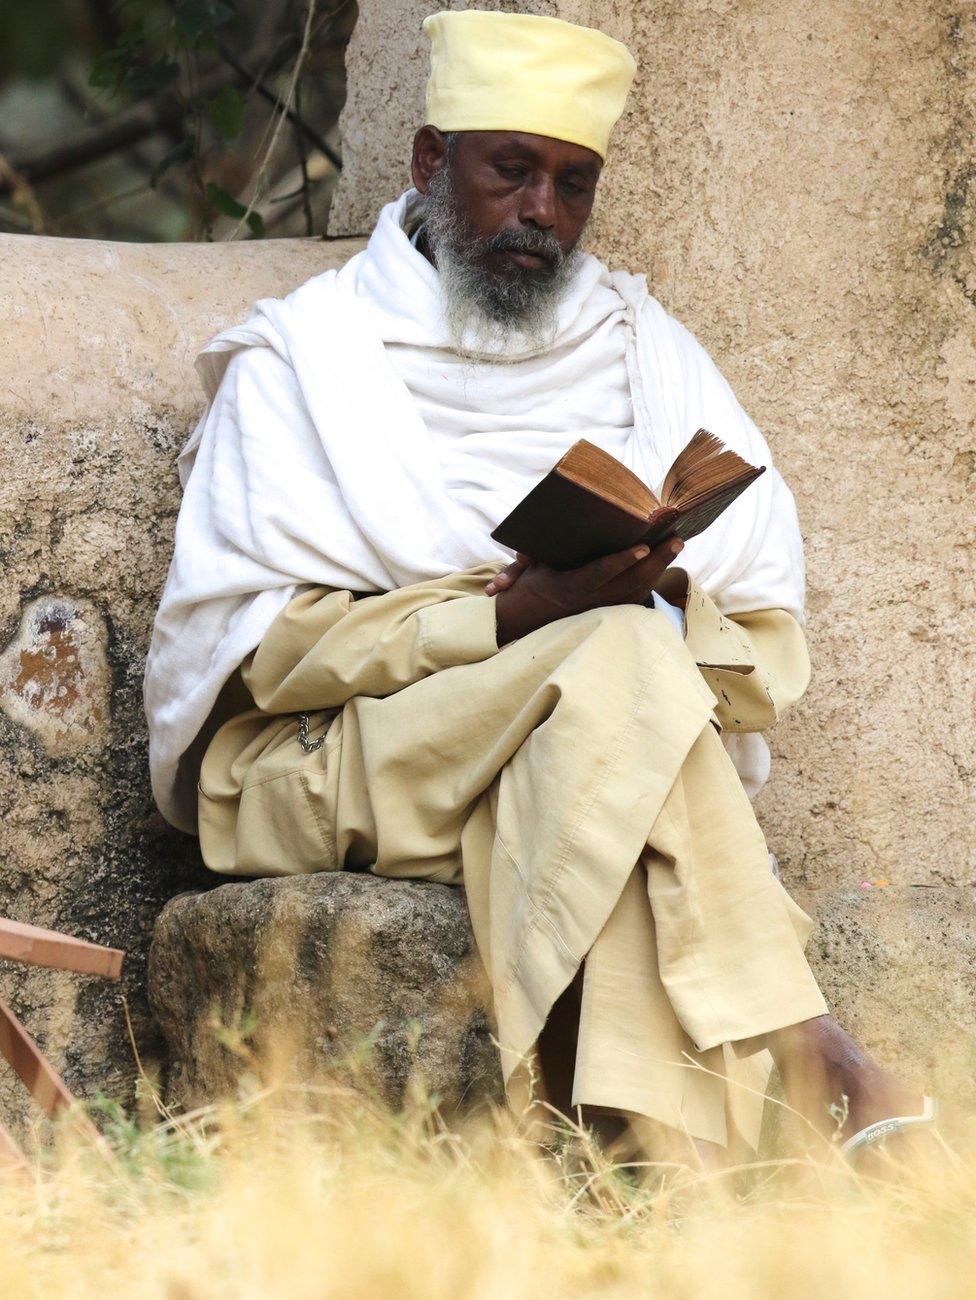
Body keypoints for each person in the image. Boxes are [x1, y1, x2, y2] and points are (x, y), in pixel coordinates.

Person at [144, 9, 932, 1161]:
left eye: (573, 183)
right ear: (429, 163)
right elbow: (258, 656)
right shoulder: (305, 363)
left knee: (611, 700)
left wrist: (648, 588)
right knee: (613, 674)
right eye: (510, 171)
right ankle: (815, 1046)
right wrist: (510, 615)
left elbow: (762, 641)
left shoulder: (641, 348)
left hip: (573, 738)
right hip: (331, 761)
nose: (541, 213)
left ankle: (628, 1160)